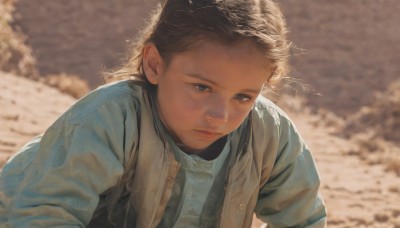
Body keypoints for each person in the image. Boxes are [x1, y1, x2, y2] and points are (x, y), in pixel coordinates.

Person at [0, 0, 327, 227]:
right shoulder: (107, 120)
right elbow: (45, 216)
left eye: (244, 96)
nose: (220, 116)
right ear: (155, 65)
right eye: (202, 88)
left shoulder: (270, 134)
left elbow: (303, 221)